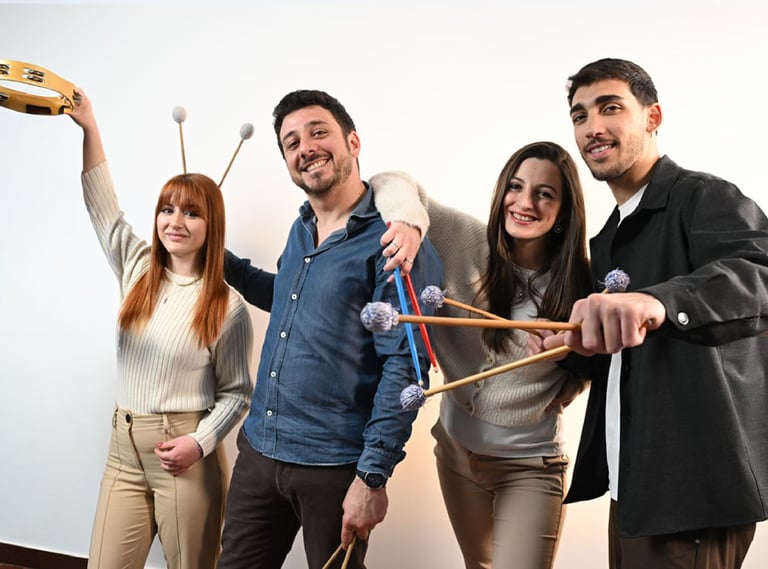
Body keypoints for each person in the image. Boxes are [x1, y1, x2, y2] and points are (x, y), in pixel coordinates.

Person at [537, 57, 768, 569]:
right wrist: (570, 348)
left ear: (652, 117)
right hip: (636, 486)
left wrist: (659, 300)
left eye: (610, 108)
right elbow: (631, 354)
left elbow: (760, 273)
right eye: (579, 115)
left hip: (692, 493)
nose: (592, 127)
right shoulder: (611, 234)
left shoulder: (703, 196)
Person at [217, 89, 443, 569]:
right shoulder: (301, 227)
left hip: (334, 469)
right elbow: (289, 300)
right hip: (259, 452)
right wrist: (222, 262)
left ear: (353, 142)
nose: (306, 148)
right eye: (291, 143)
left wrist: (372, 477)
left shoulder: (394, 240)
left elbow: (406, 366)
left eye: (318, 132)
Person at [369, 141, 592, 569]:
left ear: (564, 211)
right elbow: (390, 181)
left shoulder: (582, 284)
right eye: (516, 187)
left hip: (529, 467)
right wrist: (410, 223)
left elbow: (603, 360)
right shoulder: (465, 238)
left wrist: (572, 362)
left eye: (544, 194)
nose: (524, 203)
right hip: (455, 455)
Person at [69, 90, 253, 569]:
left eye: (192, 212)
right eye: (167, 209)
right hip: (123, 451)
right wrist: (90, 125)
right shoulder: (137, 268)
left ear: (212, 225)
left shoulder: (227, 305)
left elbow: (237, 393)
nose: (175, 222)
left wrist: (199, 442)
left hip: (185, 456)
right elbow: (103, 207)